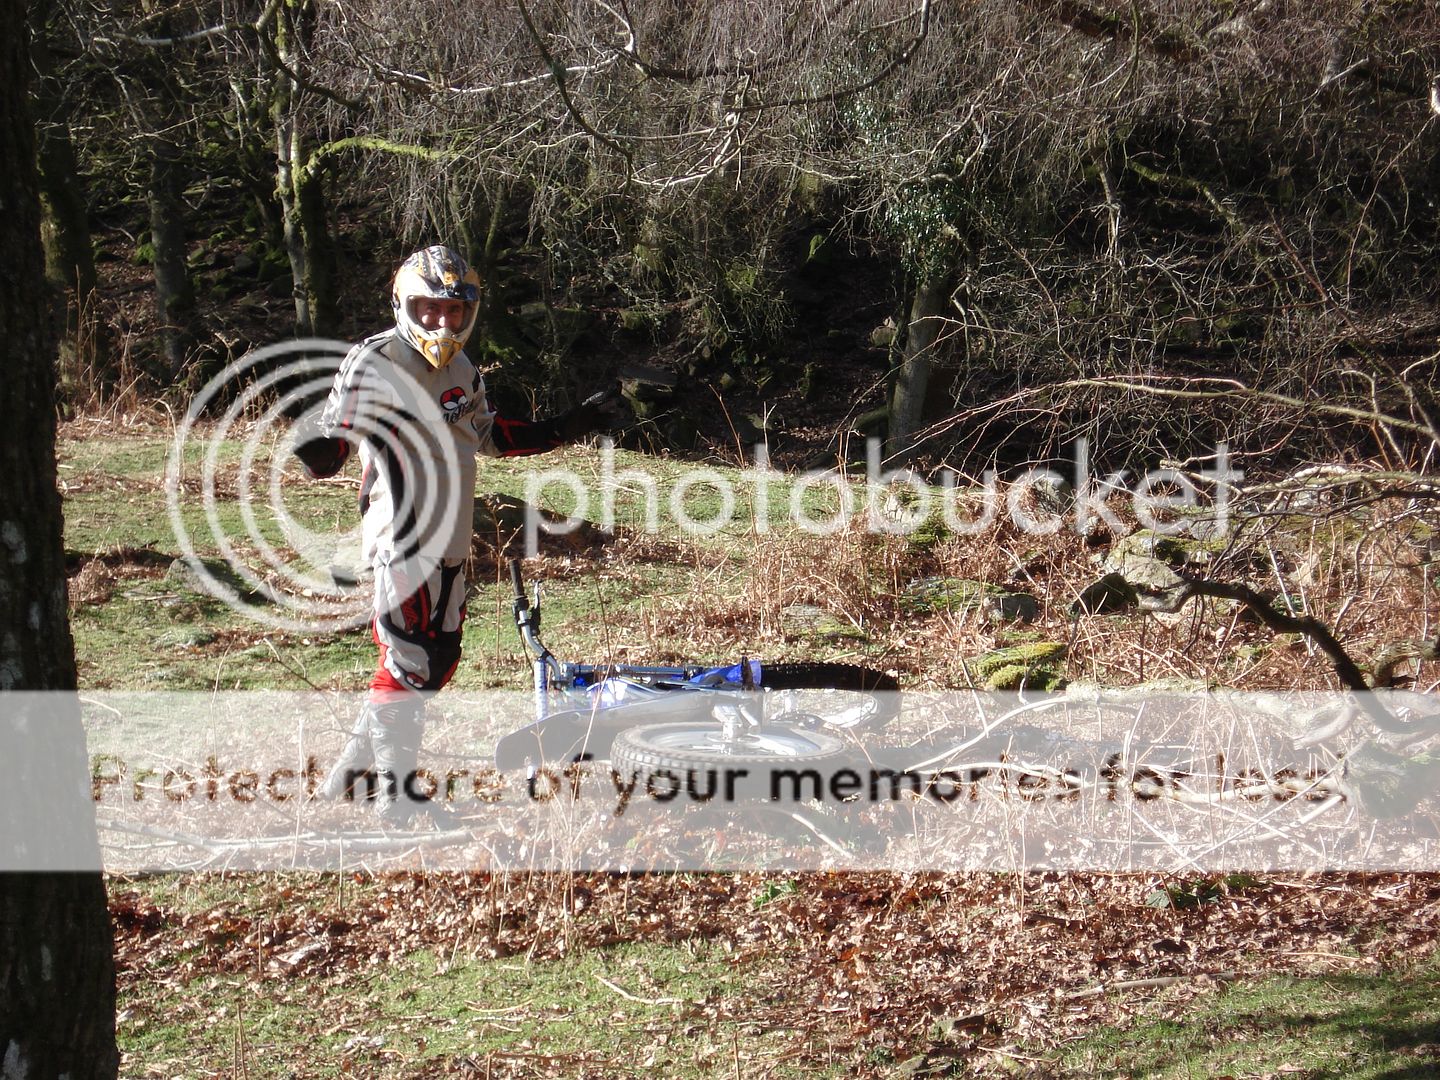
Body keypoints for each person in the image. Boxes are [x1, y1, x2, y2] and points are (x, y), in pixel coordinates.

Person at [293, 244, 623, 826]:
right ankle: (396, 798)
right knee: (411, 659)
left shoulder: (464, 370)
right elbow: (336, 436)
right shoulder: (375, 360)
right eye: (427, 309)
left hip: (453, 534)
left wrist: (572, 422)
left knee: (439, 659)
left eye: (453, 310)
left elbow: (492, 436)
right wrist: (319, 451)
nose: (440, 322)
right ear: (403, 305)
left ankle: (349, 773)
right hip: (399, 533)